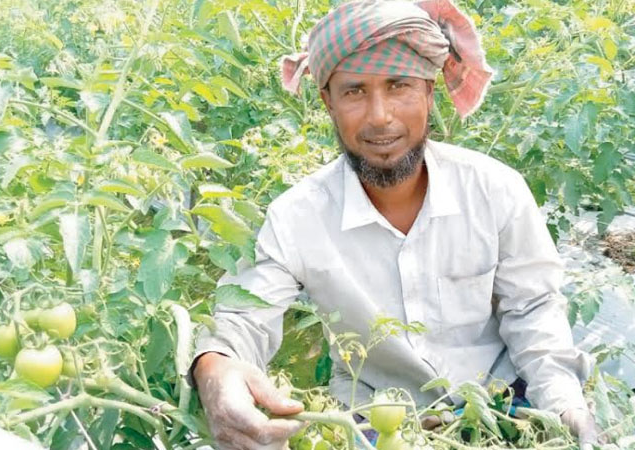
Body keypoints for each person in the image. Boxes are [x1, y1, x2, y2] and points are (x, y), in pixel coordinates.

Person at [190, 1, 599, 449]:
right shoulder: (297, 217)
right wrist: (215, 367)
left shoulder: (495, 190)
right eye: (354, 92)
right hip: (371, 426)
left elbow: (533, 309)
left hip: (504, 412)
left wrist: (565, 408)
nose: (380, 115)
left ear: (429, 91)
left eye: (398, 85)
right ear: (327, 101)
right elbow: (244, 317)